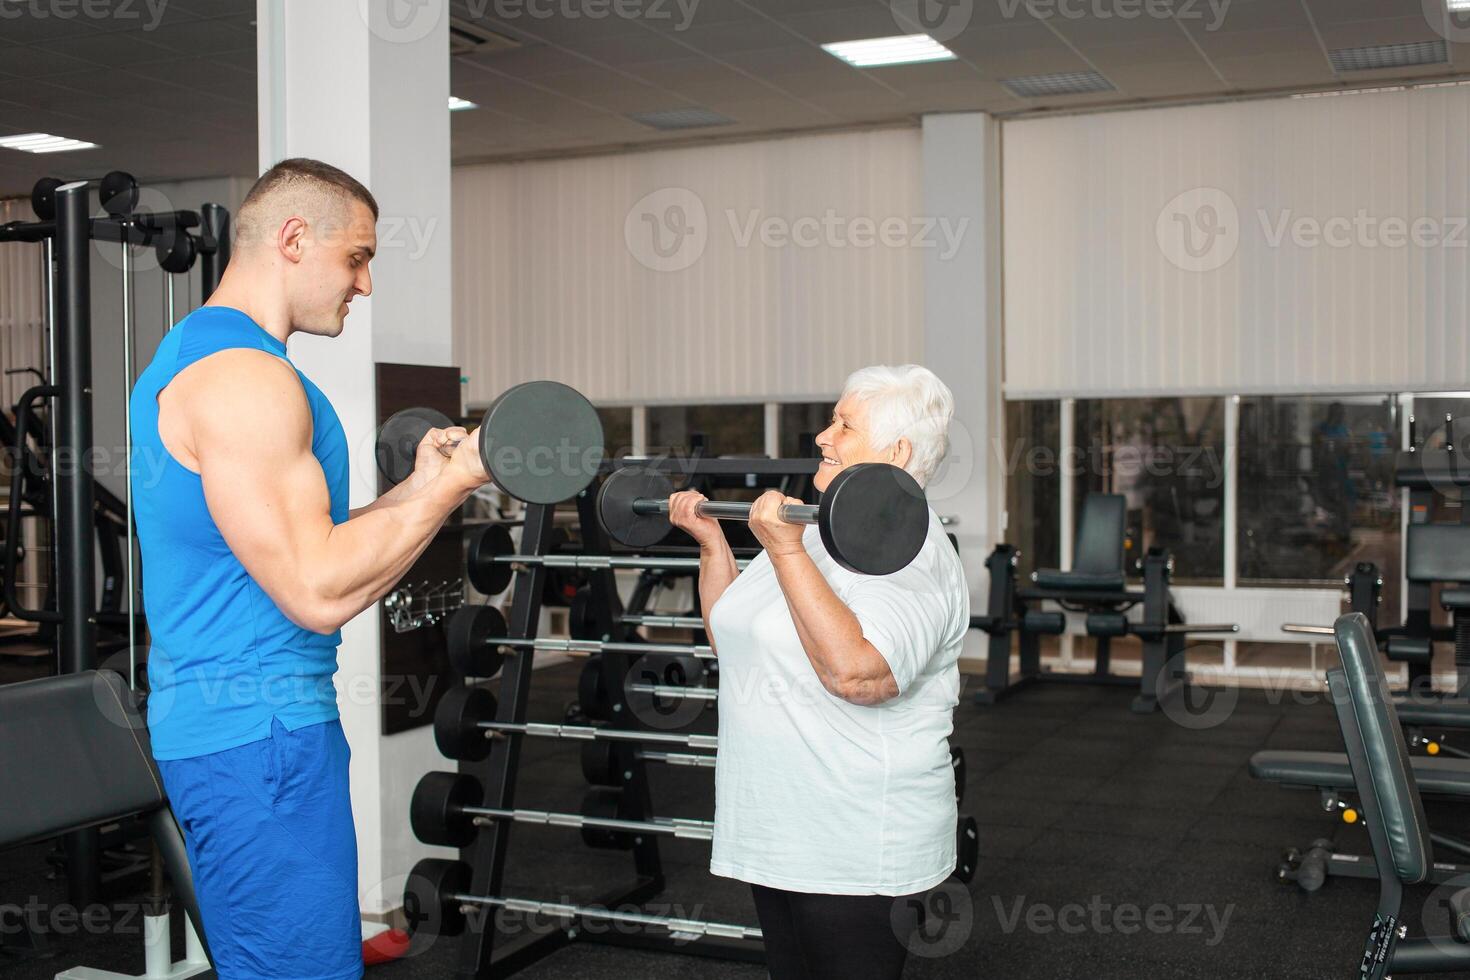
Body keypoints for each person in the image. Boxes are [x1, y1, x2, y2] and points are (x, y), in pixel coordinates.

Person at [129, 158, 491, 980]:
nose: (364, 284)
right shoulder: (247, 382)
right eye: (357, 257)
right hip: (259, 737)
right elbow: (318, 589)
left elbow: (303, 549)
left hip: (256, 729)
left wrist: (422, 486)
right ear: (293, 238)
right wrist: (454, 488)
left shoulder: (199, 353)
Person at [668, 364, 969, 980]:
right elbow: (734, 635)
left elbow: (860, 677)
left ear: (898, 451)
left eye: (844, 424)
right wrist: (712, 546)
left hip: (855, 837)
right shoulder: (815, 526)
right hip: (782, 824)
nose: (823, 437)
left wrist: (780, 549)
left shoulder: (908, 548)